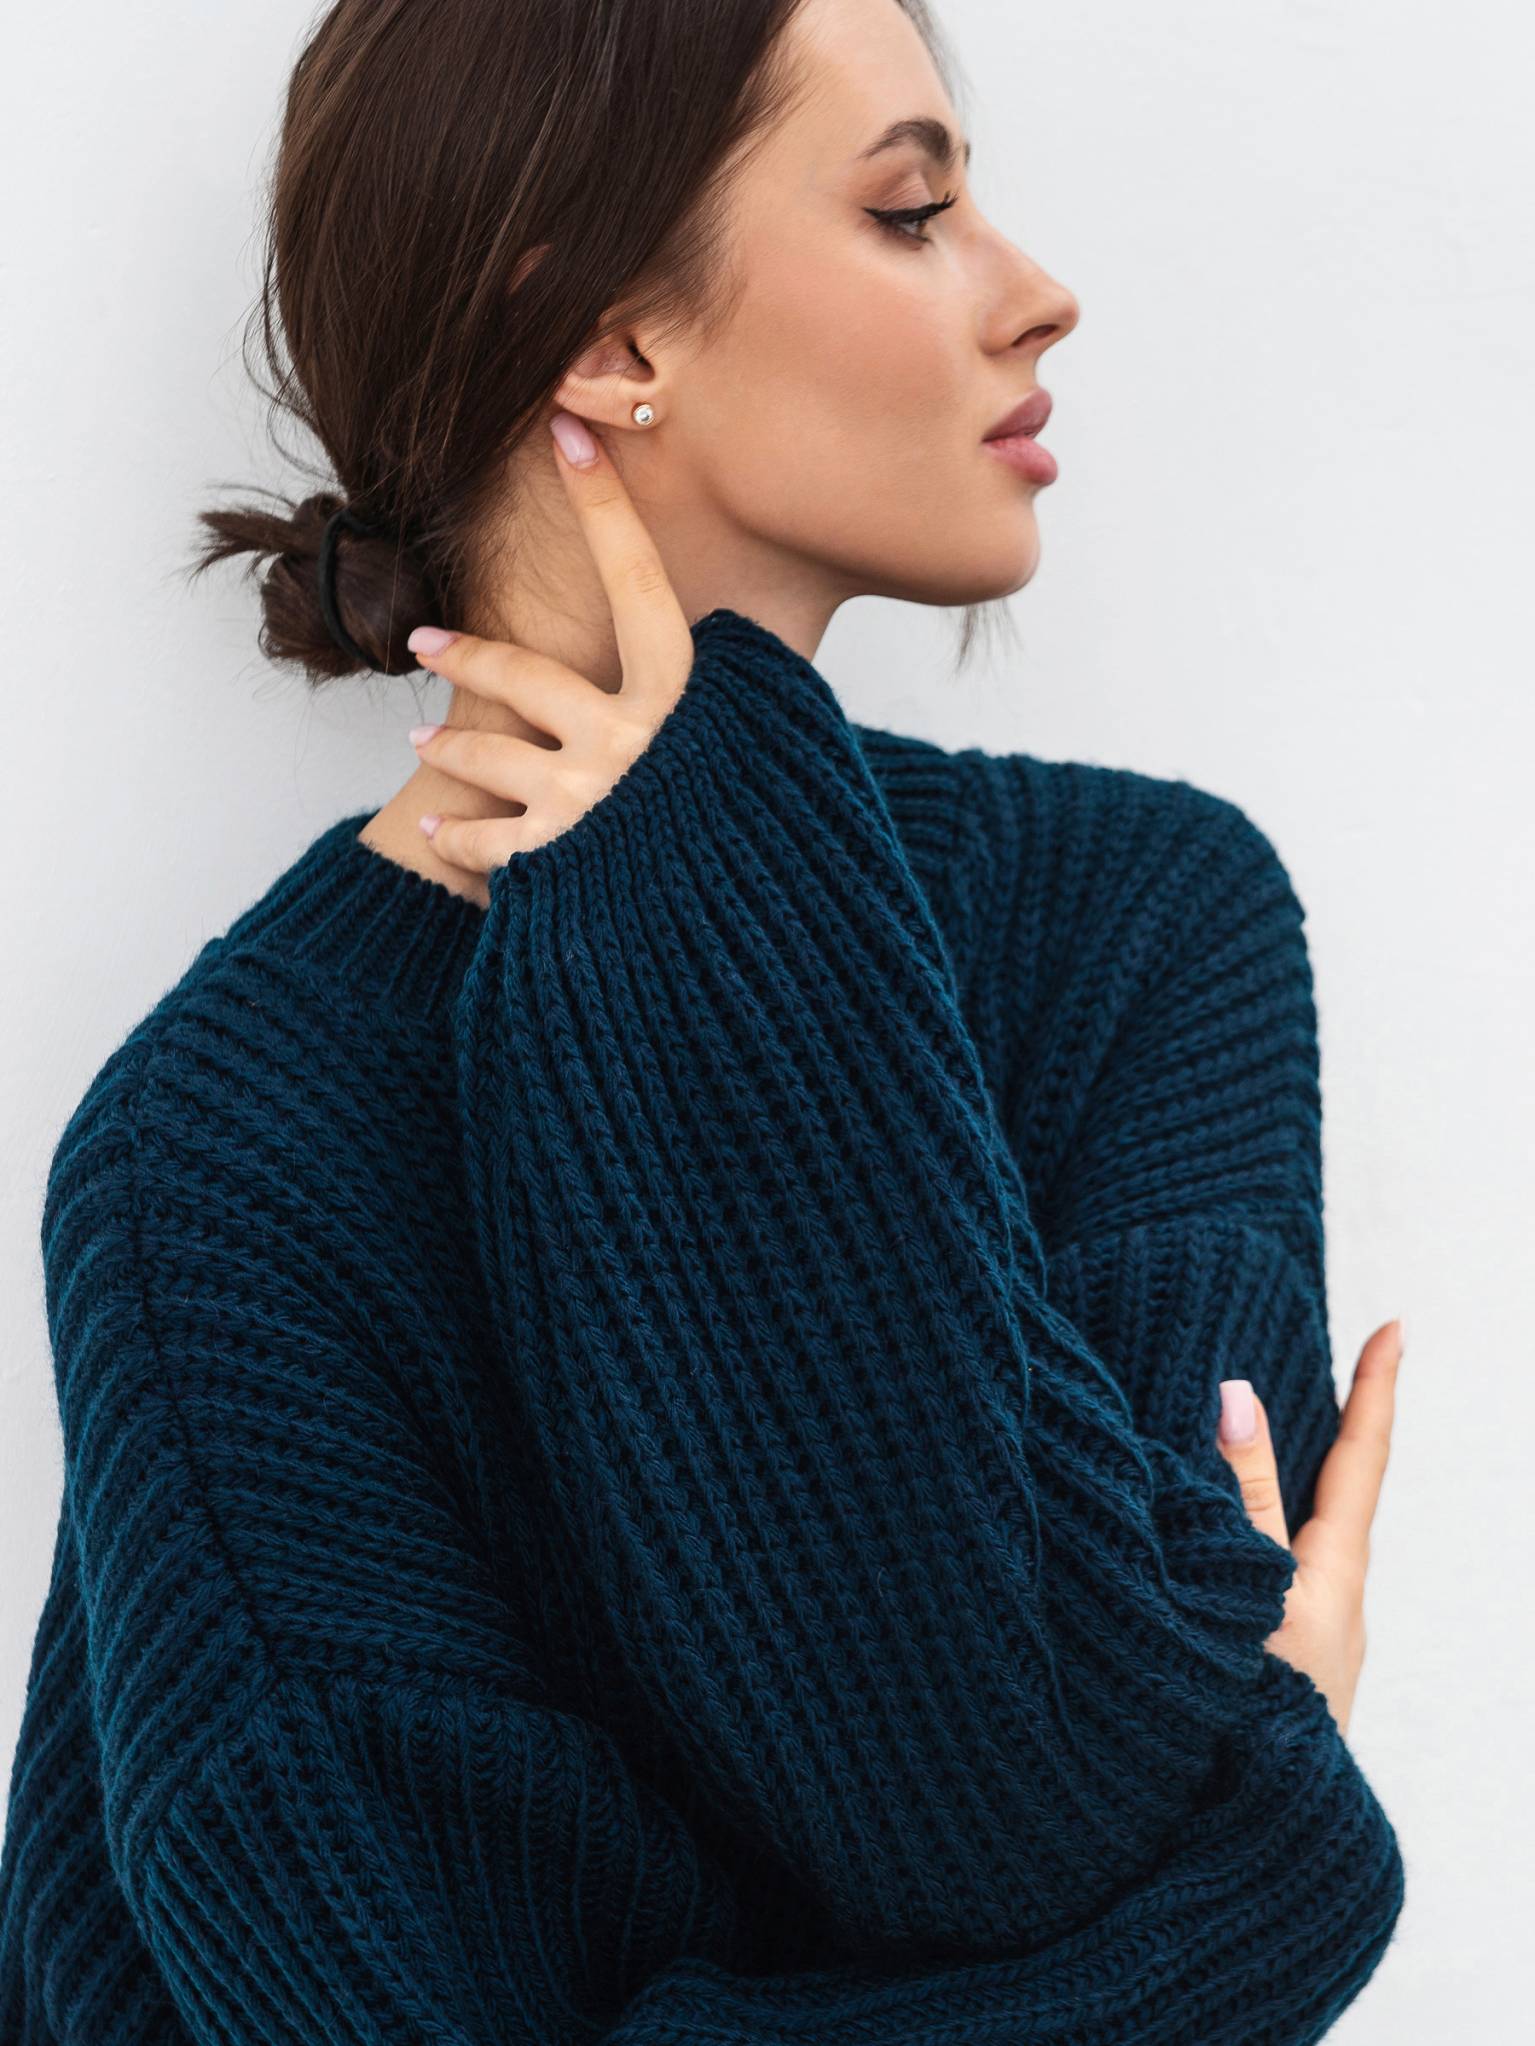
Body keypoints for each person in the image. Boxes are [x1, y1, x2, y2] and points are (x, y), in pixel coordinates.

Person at [0, 1, 1405, 2040]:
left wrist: (714, 854)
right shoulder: (214, 1165)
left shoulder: (1139, 923)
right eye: (911, 210)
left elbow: (1054, 1793)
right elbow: (1133, 1806)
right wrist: (1266, 1893)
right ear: (606, 341)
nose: (1040, 291)